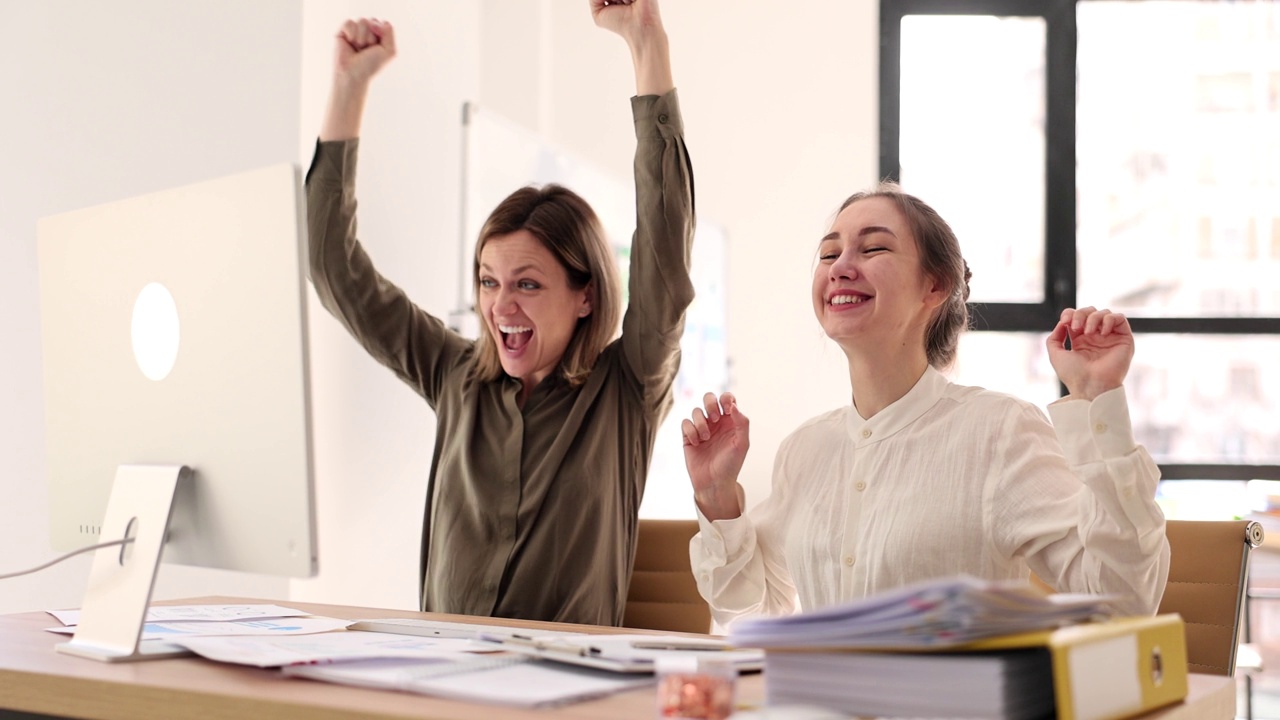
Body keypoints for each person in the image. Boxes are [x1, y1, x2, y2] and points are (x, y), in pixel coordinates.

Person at [305, 0, 694, 626]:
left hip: (564, 695)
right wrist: (348, 88)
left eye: (528, 285)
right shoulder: (455, 375)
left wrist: (646, 43)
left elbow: (665, 258)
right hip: (442, 686)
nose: (500, 307)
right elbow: (334, 270)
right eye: (488, 282)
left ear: (585, 294)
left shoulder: (627, 389)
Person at [681, 184, 1169, 626]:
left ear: (934, 287)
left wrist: (1097, 399)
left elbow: (1120, 601)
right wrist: (716, 495)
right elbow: (747, 614)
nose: (841, 267)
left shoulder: (999, 432)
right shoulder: (805, 449)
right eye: (829, 254)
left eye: (872, 248)